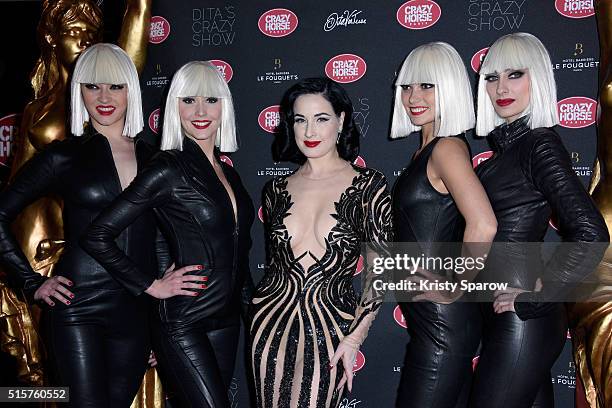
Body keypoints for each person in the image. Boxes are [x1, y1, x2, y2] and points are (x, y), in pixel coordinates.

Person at [0, 43, 188, 407]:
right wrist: (31, 282)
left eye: (115, 86)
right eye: (93, 86)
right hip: (77, 307)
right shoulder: (61, 157)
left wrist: (160, 324)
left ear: (130, 90)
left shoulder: (156, 159)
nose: (104, 97)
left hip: (137, 310)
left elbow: (163, 240)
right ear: (79, 90)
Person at [81, 60, 254, 408]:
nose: (200, 111)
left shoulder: (229, 174)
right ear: (174, 107)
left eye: (211, 100)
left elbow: (238, 252)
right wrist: (151, 285)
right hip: (183, 321)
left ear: (225, 106)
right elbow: (98, 235)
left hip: (228, 321)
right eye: (188, 100)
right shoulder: (167, 167)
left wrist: (255, 316)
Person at [471, 32, 609, 407]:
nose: (501, 87)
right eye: (491, 77)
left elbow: (591, 231)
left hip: (522, 320)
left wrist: (537, 296)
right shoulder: (505, 154)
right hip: (509, 318)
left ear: (539, 78)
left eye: (515, 74)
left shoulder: (538, 144)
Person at [250, 77, 392, 408]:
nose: (310, 132)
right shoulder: (275, 190)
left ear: (341, 121)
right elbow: (275, 267)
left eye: (321, 119)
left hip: (332, 324)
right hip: (270, 321)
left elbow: (381, 270)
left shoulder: (368, 185)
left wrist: (356, 337)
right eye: (300, 120)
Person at [390, 42, 497, 408]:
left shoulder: (446, 148)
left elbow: (483, 225)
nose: (413, 97)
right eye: (407, 87)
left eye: (427, 86)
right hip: (435, 321)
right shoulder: (429, 148)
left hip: (442, 323)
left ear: (449, 87)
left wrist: (454, 284)